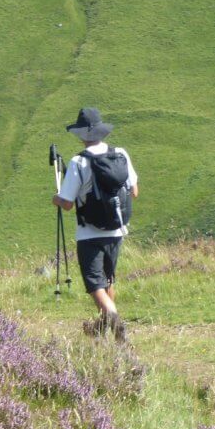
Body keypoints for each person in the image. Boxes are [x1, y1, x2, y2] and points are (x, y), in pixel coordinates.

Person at [52, 107, 138, 341]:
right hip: (117, 229)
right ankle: (102, 328)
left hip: (89, 233)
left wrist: (56, 198)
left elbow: (68, 204)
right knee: (108, 279)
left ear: (82, 135)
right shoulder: (120, 153)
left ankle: (115, 321)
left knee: (94, 284)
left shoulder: (79, 161)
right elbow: (134, 191)